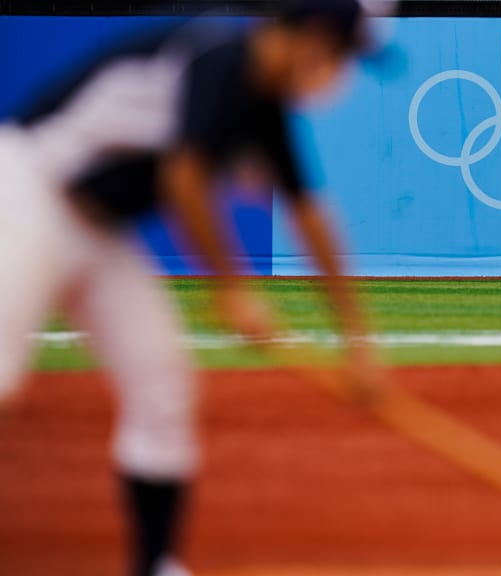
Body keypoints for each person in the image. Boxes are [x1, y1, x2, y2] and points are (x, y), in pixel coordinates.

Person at [0, 1, 385, 574]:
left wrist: (358, 342)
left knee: (162, 386)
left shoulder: (261, 103)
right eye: (342, 55)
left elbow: (310, 216)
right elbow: (184, 178)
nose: (341, 73)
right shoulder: (219, 58)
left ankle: (157, 565)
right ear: (310, 38)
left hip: (99, 230)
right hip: (27, 191)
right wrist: (231, 287)